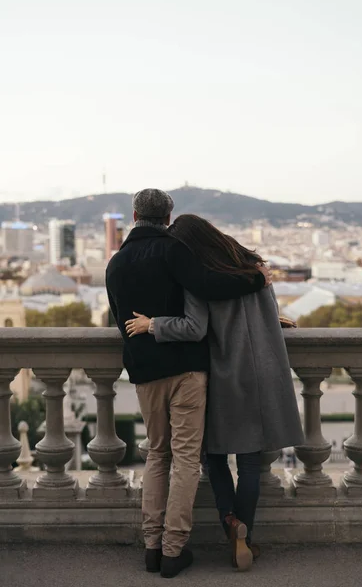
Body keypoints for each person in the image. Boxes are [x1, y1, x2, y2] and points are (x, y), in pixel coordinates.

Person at [125, 213, 304, 572]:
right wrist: (273, 320)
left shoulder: (201, 279)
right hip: (264, 371)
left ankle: (228, 521)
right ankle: (245, 536)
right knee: (252, 461)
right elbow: (260, 312)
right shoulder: (254, 266)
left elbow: (195, 327)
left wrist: (153, 324)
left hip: (224, 373)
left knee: (214, 457)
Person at [106, 191, 270, 579]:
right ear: (168, 216)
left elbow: (120, 321)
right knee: (184, 459)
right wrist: (255, 278)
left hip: (144, 370)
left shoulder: (115, 264)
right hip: (186, 371)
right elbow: (210, 286)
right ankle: (173, 549)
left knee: (156, 455)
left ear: (133, 216)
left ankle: (150, 546)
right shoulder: (174, 252)